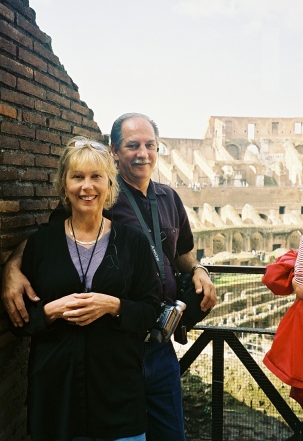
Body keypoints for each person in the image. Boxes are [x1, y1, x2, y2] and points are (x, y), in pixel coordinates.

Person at [2, 113, 217, 441]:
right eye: (132, 145)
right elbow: (46, 242)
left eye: (149, 145)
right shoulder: (90, 200)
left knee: (170, 435)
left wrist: (200, 269)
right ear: (115, 151)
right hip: (112, 348)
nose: (142, 152)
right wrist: (11, 269)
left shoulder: (169, 198)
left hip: (159, 344)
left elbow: (181, 251)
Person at [6, 137, 161, 441]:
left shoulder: (133, 242)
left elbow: (151, 310)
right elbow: (20, 323)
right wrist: (49, 313)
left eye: (95, 177)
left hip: (118, 395)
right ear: (64, 185)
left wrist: (113, 306)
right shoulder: (41, 245)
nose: (86, 187)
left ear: (109, 184)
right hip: (55, 397)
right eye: (77, 177)